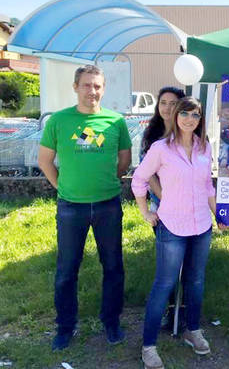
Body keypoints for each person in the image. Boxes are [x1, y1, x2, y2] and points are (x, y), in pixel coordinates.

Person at [38, 64, 132, 350]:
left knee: (113, 266)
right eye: (87, 85)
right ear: (76, 87)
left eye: (97, 86)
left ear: (103, 89)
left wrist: (103, 183)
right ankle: (65, 327)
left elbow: (124, 162)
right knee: (67, 270)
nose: (92, 91)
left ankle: (111, 322)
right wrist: (64, 188)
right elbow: (45, 161)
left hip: (108, 206)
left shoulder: (116, 121)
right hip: (70, 208)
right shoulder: (59, 121)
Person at [132, 97, 226, 369]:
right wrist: (145, 212)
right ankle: (148, 346)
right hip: (171, 226)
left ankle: (192, 330)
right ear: (175, 116)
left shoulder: (204, 147)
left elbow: (208, 185)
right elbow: (140, 178)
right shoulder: (160, 148)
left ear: (200, 120)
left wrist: (217, 214)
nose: (189, 120)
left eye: (195, 115)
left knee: (196, 282)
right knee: (164, 284)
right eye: (184, 113)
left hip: (201, 226)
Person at [141, 86, 186, 212]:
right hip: (161, 204)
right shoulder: (150, 134)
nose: (167, 108)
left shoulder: (190, 133)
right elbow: (147, 172)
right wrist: (165, 200)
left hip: (187, 203)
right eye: (163, 103)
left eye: (173, 104)